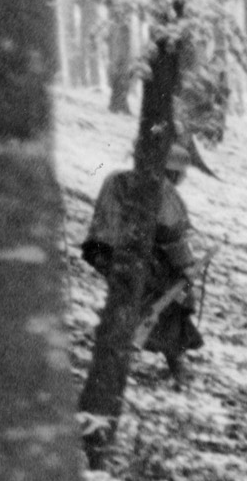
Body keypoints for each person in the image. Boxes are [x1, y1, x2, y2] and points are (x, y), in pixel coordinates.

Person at [81, 140, 206, 380]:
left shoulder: (118, 177)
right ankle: (175, 364)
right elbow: (172, 234)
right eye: (182, 172)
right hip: (126, 256)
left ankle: (123, 345)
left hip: (99, 251)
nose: (184, 178)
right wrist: (187, 268)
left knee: (140, 297)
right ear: (172, 170)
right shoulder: (160, 187)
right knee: (176, 295)